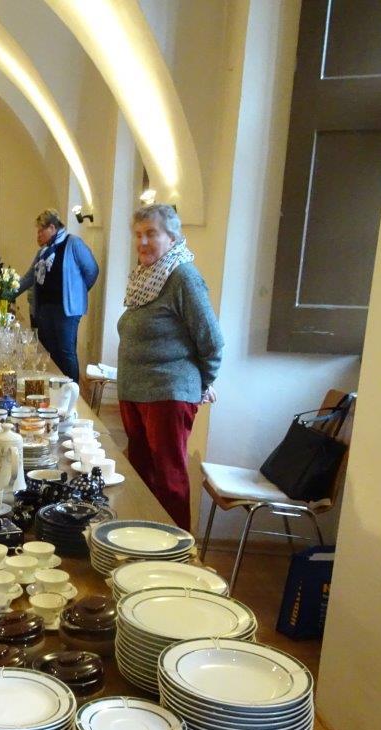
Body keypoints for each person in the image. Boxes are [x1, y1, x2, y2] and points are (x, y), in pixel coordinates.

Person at [116, 203, 224, 532]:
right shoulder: (145, 277)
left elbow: (212, 340)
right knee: (141, 477)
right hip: (136, 391)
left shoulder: (183, 277)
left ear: (173, 237)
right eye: (138, 234)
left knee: (168, 480)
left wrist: (200, 385)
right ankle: (142, 543)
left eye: (151, 233)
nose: (142, 242)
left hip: (167, 393)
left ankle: (176, 550)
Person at [14, 208, 98, 383]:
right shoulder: (43, 252)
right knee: (49, 352)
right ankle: (54, 386)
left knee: (65, 351)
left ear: (52, 228)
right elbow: (30, 277)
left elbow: (92, 270)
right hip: (44, 308)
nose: (38, 235)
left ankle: (72, 389)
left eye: (41, 231)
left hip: (65, 310)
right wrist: (8, 292)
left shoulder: (73, 243)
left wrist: (78, 293)